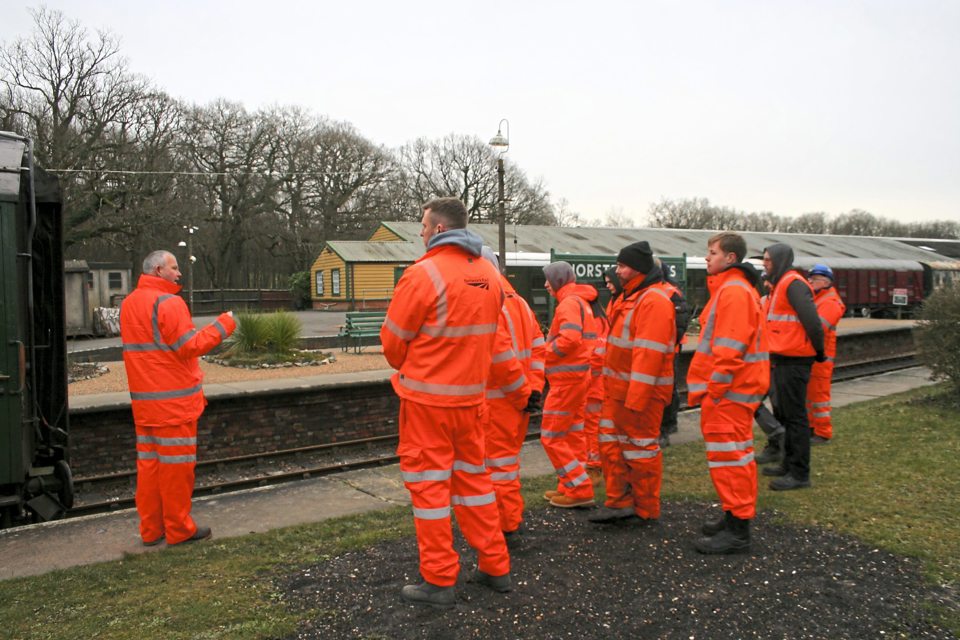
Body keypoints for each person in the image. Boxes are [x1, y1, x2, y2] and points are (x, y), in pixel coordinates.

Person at [380, 198, 511, 609]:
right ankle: (495, 566)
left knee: (430, 490)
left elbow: (392, 345)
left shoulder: (422, 274)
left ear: (438, 229)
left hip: (427, 405)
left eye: (422, 226)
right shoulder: (489, 274)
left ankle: (439, 580)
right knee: (475, 484)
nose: (420, 232)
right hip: (472, 402)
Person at [120, 250, 236, 547]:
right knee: (176, 471)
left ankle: (151, 529)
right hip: (174, 406)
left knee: (150, 470)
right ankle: (179, 529)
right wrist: (223, 325)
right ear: (159, 270)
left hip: (145, 405)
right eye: (174, 267)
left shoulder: (129, 303)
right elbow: (189, 346)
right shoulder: (169, 303)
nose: (179, 273)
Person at [686, 233, 769, 554]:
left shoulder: (733, 292)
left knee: (729, 458)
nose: (707, 258)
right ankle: (734, 515)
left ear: (730, 258)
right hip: (737, 388)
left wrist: (716, 389)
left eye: (713, 252)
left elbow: (730, 347)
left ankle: (737, 530)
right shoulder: (735, 289)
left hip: (729, 391)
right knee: (738, 455)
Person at [590, 241, 675, 525]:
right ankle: (619, 502)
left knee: (640, 451)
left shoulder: (652, 301)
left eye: (622, 266)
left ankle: (646, 509)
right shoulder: (631, 298)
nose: (617, 271)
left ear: (637, 268)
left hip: (638, 396)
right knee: (612, 447)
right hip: (618, 393)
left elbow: (648, 355)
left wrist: (636, 399)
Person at [479, 247, 544, 539]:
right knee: (507, 466)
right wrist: (533, 390)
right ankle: (509, 521)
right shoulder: (519, 302)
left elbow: (500, 357)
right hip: (519, 401)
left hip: (499, 403)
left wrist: (521, 394)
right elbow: (538, 346)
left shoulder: (488, 301)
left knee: (497, 468)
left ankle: (505, 527)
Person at [761, 243, 825, 491]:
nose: (765, 263)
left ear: (780, 260)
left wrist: (818, 351)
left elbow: (812, 322)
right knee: (786, 416)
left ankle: (799, 473)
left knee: (796, 418)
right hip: (783, 358)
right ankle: (788, 464)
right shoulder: (781, 284)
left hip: (794, 360)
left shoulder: (792, 284)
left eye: (768, 259)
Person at [540, 261, 598, 508]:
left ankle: (579, 488)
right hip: (578, 377)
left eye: (548, 279)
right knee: (572, 435)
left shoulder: (568, 304)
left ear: (559, 280)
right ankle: (570, 486)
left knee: (551, 436)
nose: (546, 284)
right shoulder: (580, 302)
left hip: (566, 381)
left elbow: (570, 339)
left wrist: (544, 353)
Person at [806, 264, 846, 444]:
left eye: (814, 279)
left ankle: (823, 432)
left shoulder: (830, 302)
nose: (810, 282)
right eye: (810, 278)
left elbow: (818, 328)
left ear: (826, 282)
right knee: (810, 395)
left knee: (819, 396)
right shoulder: (818, 299)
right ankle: (812, 428)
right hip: (813, 356)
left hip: (821, 359)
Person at [656, 258, 690, 448]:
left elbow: (681, 323)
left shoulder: (671, 291)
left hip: (670, 349)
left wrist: (666, 343)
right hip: (659, 347)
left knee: (668, 388)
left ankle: (668, 426)